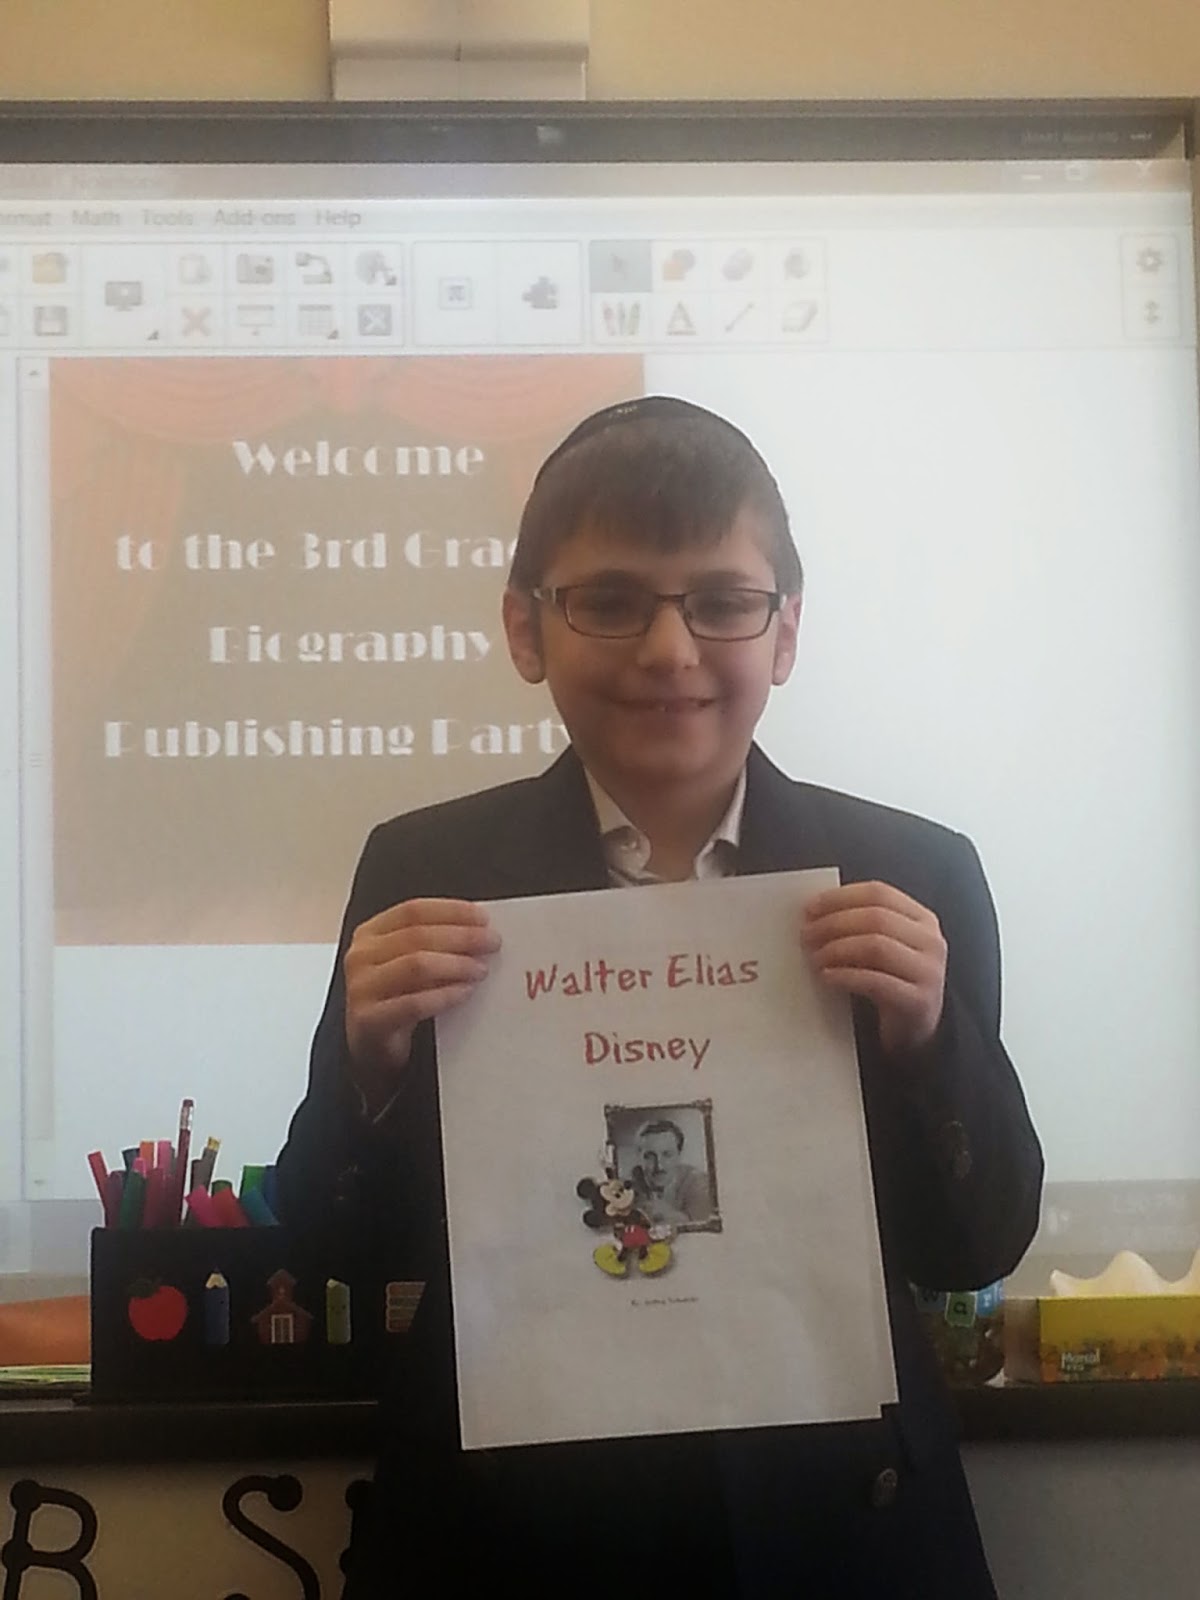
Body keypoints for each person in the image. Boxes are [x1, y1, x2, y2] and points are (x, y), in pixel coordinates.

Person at [276, 396, 1043, 1597]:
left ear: (784, 632)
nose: (672, 649)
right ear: (526, 627)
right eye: (611, 600)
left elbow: (979, 1242)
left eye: (723, 602)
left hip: (836, 1537)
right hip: (510, 1543)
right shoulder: (426, 872)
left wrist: (928, 1042)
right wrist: (366, 1080)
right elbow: (335, 1252)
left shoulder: (909, 877)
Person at [630, 1116, 714, 1225]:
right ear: (638, 1157)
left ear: (679, 1154)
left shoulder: (699, 1184)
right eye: (650, 1156)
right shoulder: (628, 1186)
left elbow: (702, 1229)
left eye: (667, 1155)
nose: (659, 1166)